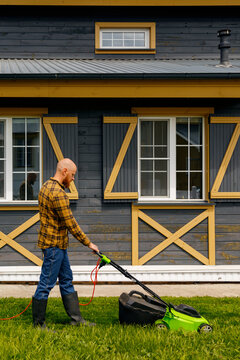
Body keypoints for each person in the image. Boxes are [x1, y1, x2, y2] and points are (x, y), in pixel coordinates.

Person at [32, 158, 99, 328]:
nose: (73, 179)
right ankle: (38, 325)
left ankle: (76, 320)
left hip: (56, 245)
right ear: (64, 172)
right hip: (54, 246)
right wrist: (88, 243)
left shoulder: (45, 186)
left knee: (66, 280)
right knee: (46, 284)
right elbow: (71, 223)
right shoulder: (59, 194)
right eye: (73, 175)